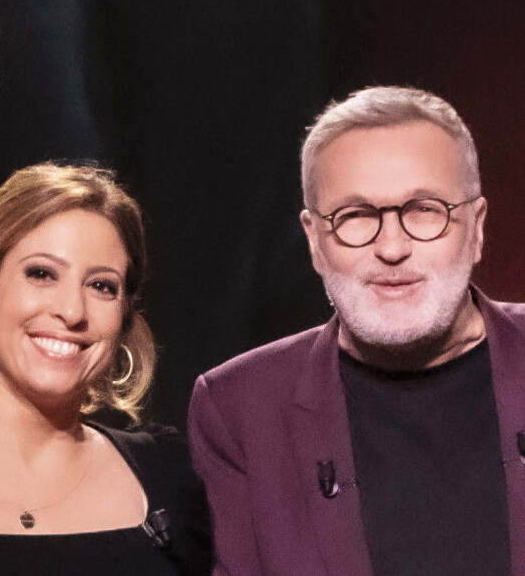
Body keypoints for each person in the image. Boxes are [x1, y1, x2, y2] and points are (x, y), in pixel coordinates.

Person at [188, 86, 525, 575]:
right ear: (315, 242)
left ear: (475, 229)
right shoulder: (239, 408)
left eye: (425, 210)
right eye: (355, 217)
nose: (391, 247)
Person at [0, 162, 212, 574]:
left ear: (123, 320)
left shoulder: (166, 480)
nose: (72, 312)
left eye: (102, 286)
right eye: (41, 274)